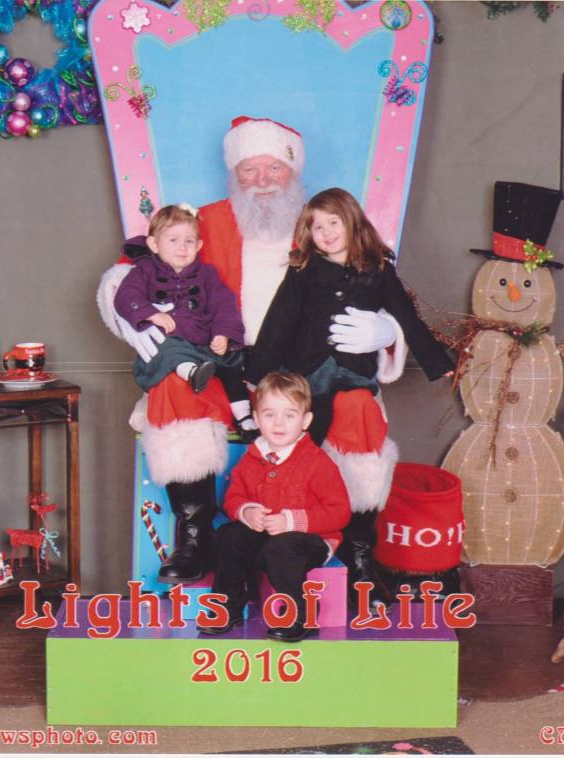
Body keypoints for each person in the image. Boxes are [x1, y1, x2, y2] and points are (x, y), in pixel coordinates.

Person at [97, 117, 408, 606]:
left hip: (313, 374)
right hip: (223, 367)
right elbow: (133, 266)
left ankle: (357, 550)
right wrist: (129, 314)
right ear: (232, 174)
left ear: (294, 171)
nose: (262, 181)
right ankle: (195, 535)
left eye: (274, 168)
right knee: (177, 389)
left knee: (359, 410)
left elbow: (381, 282)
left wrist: (388, 331)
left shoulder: (324, 225)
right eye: (249, 169)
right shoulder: (206, 222)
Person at [247, 188, 455, 445]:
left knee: (354, 413)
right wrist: (257, 372)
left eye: (334, 222)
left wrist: (438, 362)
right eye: (318, 227)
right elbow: (280, 320)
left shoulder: (379, 269)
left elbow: (406, 316)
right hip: (308, 367)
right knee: (308, 427)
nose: (326, 232)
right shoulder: (303, 270)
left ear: (352, 221)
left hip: (354, 370)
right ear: (309, 234)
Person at [197, 371, 350, 642]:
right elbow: (232, 498)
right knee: (227, 536)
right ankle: (229, 603)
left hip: (310, 541)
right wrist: (246, 511)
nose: (279, 423)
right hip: (264, 539)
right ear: (256, 418)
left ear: (306, 420)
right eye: (269, 414)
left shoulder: (317, 463)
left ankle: (300, 614)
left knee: (280, 548)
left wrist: (292, 521)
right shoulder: (252, 457)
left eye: (289, 415)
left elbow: (339, 513)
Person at [113, 203, 255, 435]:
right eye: (173, 240)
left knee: (231, 363)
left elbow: (224, 304)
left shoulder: (207, 275)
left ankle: (244, 416)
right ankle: (190, 372)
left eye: (189, 241)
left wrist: (222, 333)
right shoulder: (145, 271)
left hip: (204, 343)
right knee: (168, 347)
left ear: (199, 245)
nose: (182, 248)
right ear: (153, 244)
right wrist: (150, 313)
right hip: (173, 342)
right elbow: (126, 296)